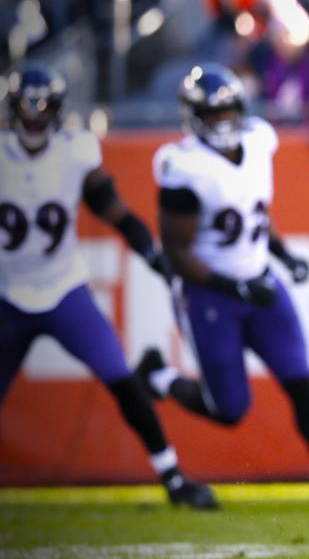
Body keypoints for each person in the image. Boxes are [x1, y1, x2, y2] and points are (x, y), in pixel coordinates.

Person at [137, 64, 309, 512]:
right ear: (194, 116)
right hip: (209, 296)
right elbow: (176, 253)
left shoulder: (260, 140)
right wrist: (234, 288)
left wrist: (283, 256)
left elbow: (253, 215)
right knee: (230, 409)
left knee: (301, 383)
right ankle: (157, 377)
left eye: (228, 113)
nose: (223, 123)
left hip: (260, 281)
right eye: (213, 114)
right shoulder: (183, 166)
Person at [0, 67, 216, 510]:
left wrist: (153, 256)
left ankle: (173, 478)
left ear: (59, 111)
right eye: (28, 106)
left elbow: (113, 210)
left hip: (64, 290)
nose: (36, 118)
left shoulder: (75, 153)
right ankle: (173, 477)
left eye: (44, 108)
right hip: (7, 295)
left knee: (122, 379)